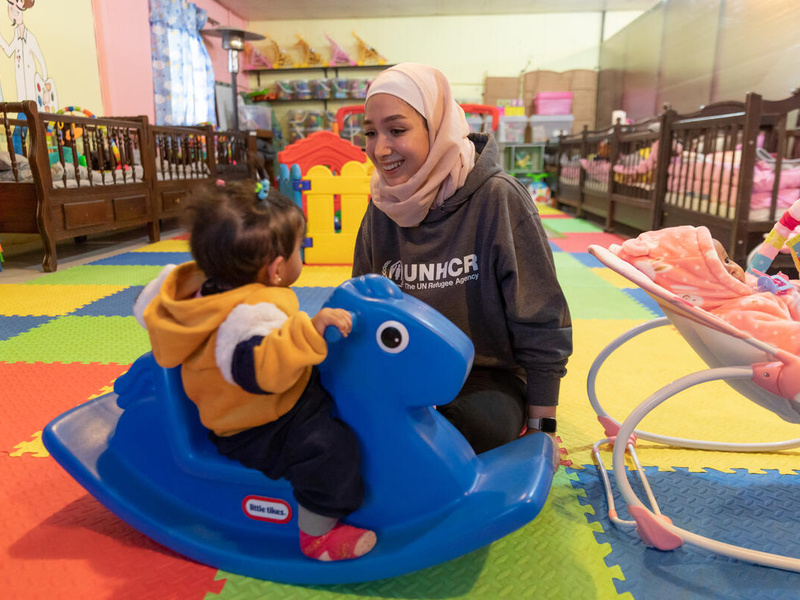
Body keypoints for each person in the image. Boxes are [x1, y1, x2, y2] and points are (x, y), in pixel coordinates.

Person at [133, 179, 376, 562]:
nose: (303, 253)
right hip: (256, 424)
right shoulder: (248, 318)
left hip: (251, 402)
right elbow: (263, 375)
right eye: (301, 248)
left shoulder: (205, 287)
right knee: (330, 450)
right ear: (277, 270)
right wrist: (309, 330)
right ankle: (318, 534)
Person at [352, 63, 573, 454]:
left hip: (484, 378)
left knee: (451, 437)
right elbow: (361, 311)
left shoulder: (498, 198)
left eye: (397, 130)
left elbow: (541, 320)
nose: (380, 148)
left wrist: (542, 431)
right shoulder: (382, 207)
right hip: (401, 369)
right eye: (371, 132)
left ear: (435, 128)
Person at [611, 225, 800, 355]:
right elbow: (788, 338)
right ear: (702, 285)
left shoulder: (742, 290)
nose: (733, 267)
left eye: (727, 260)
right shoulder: (738, 314)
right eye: (718, 269)